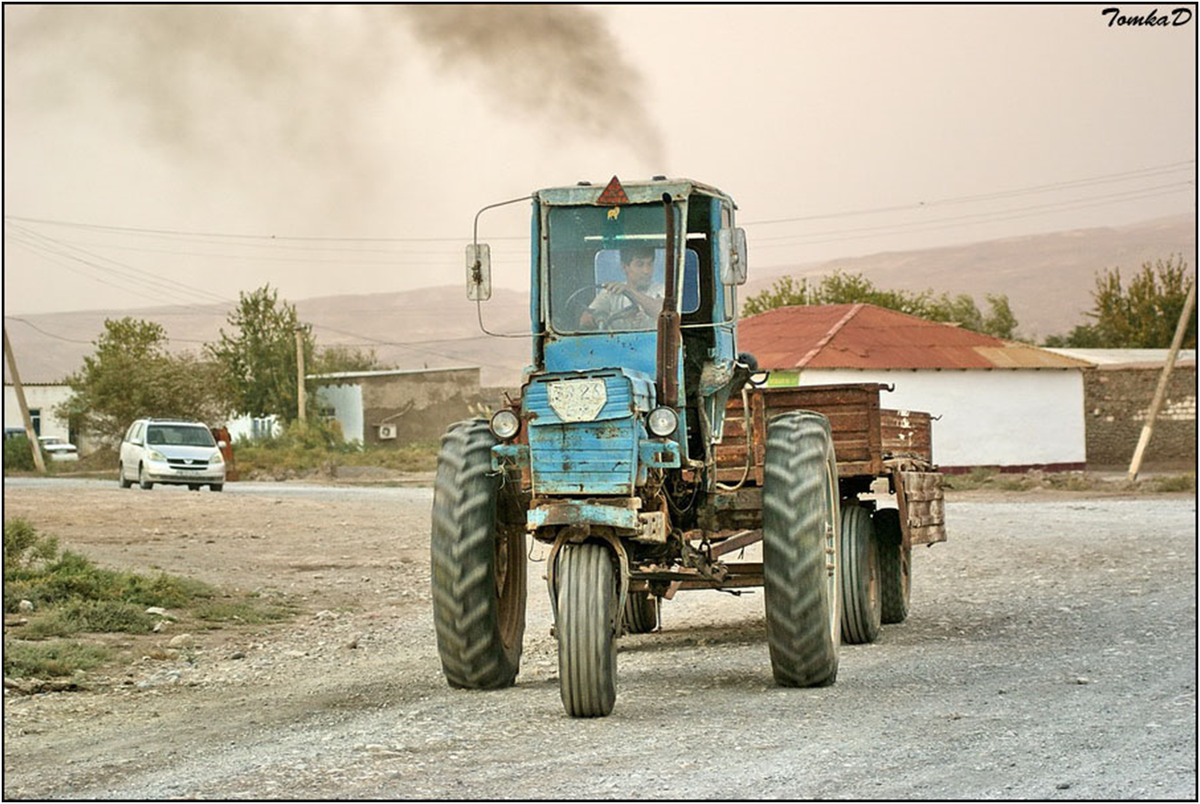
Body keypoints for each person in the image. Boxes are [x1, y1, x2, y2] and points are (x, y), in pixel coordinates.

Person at [579, 246, 664, 330]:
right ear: (624, 267)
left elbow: (662, 313)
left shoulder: (662, 290)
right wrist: (605, 318)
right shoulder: (610, 293)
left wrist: (630, 291)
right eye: (639, 265)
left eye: (650, 264)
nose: (647, 271)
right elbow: (585, 321)